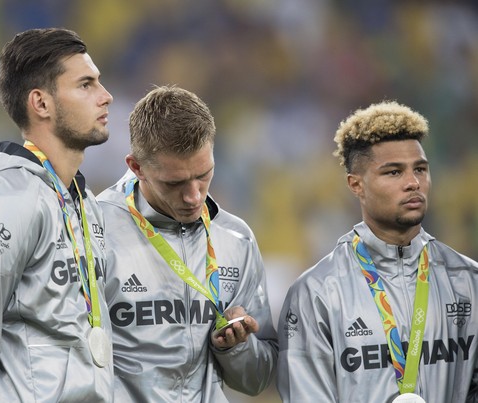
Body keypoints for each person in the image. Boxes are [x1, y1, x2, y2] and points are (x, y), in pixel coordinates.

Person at [0, 28, 115, 402]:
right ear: (41, 104)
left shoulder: (81, 200)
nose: (105, 96)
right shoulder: (8, 199)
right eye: (86, 85)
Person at [277, 101, 478, 402]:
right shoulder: (317, 293)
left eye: (420, 169)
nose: (413, 183)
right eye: (394, 173)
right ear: (356, 185)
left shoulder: (469, 282)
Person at [97, 85, 278, 402]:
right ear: (136, 167)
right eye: (175, 182)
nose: (195, 196)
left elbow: (257, 380)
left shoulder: (236, 237)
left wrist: (235, 348)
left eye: (204, 174)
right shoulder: (94, 230)